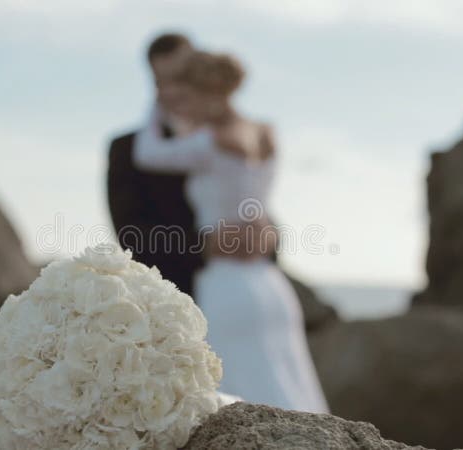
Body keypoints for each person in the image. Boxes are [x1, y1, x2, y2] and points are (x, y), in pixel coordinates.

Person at [131, 49, 329, 413]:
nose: (180, 104)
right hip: (269, 282)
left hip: (226, 282)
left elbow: (147, 153)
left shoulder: (210, 142)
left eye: (186, 96)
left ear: (207, 95)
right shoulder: (264, 133)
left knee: (239, 394)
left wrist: (156, 107)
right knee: (289, 382)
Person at [106, 33, 273, 298]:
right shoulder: (126, 149)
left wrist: (269, 236)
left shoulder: (233, 139)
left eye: (181, 78)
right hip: (171, 296)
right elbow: (131, 235)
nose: (173, 91)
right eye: (161, 82)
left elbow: (253, 206)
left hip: (245, 279)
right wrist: (205, 245)